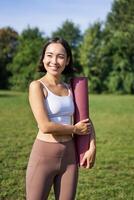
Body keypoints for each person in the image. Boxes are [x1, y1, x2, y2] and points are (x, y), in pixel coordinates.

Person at [26, 37, 96, 200]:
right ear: (43, 58)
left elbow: (86, 120)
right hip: (43, 155)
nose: (54, 61)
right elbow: (45, 126)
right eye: (49, 55)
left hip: (69, 157)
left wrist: (92, 146)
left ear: (67, 60)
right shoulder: (37, 86)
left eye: (60, 56)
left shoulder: (71, 88)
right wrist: (74, 129)